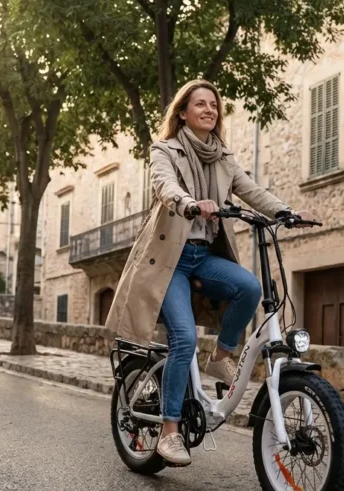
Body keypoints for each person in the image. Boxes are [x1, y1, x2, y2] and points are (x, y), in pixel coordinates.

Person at [105, 79, 315, 467]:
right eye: (199, 104)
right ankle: (169, 432)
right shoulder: (164, 149)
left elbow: (252, 191)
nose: (209, 110)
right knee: (183, 338)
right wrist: (187, 203)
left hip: (203, 257)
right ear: (182, 112)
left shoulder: (222, 158)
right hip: (170, 263)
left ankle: (221, 354)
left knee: (249, 287)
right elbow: (164, 185)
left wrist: (285, 212)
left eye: (214, 105)